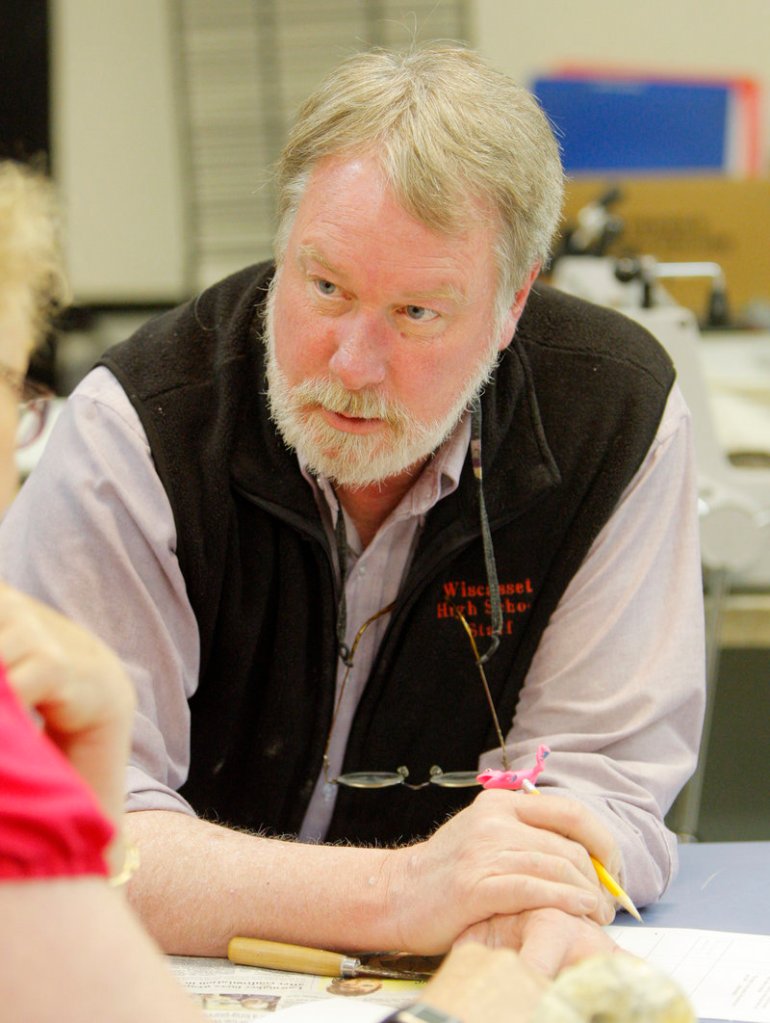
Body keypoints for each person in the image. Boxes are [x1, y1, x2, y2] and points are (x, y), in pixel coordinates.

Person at [0, 44, 705, 971]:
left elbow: (599, 781)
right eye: (324, 287)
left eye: (417, 314)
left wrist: (524, 904)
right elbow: (79, 836)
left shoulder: (611, 417)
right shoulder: (137, 430)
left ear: (512, 303)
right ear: (284, 242)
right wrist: (409, 894)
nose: (352, 365)